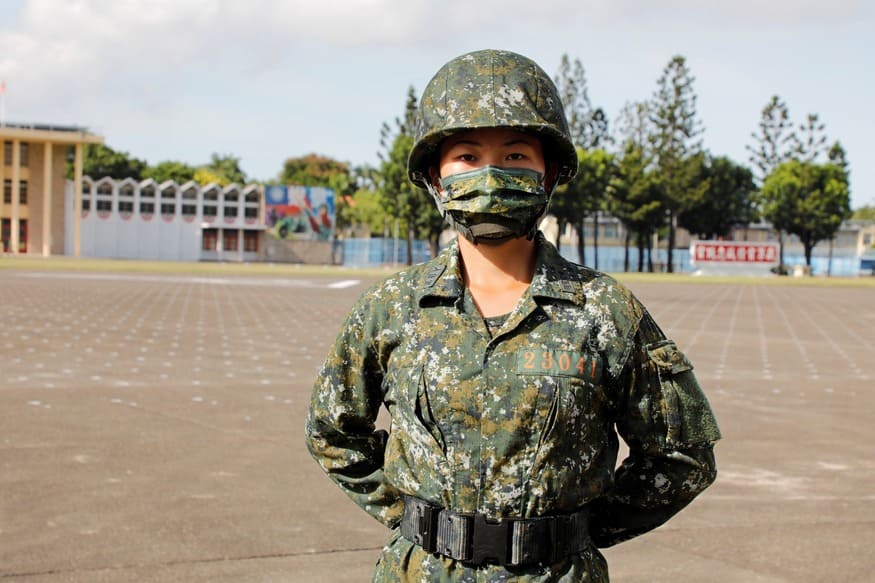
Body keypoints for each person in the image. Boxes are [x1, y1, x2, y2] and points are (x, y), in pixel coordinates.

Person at [305, 49, 720, 582]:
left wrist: (577, 531)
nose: (493, 174)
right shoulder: (391, 309)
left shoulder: (605, 310)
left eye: (517, 156)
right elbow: (332, 431)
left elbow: (683, 456)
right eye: (468, 158)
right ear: (434, 174)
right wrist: (416, 518)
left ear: (549, 173)